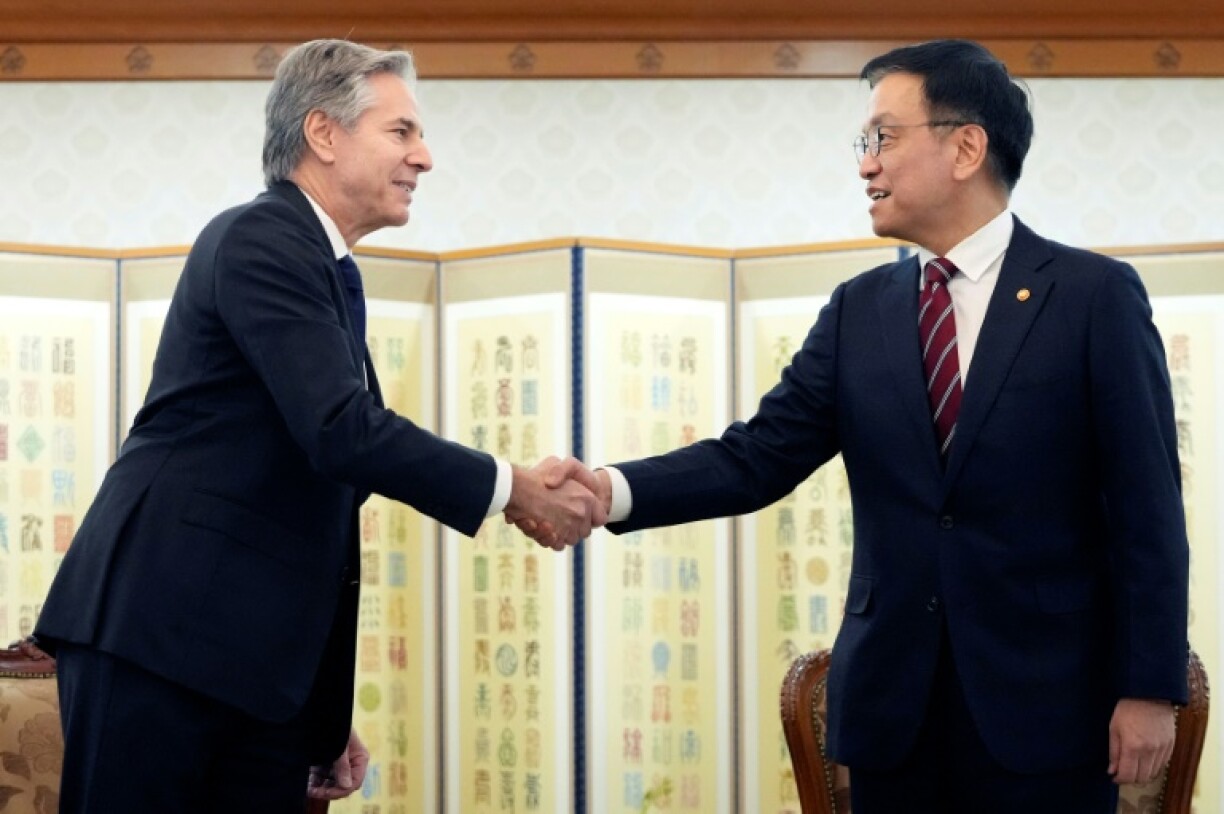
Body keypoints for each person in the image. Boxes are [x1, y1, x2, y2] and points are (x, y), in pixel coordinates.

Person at [526, 39, 1189, 812]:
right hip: (891, 714)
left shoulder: (1091, 296)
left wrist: (1148, 690)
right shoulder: (858, 311)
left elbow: (1148, 509)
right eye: (863, 144)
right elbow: (756, 458)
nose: (865, 164)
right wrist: (609, 490)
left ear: (966, 146)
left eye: (884, 138)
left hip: (1045, 709)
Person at [34, 39, 603, 813]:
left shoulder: (326, 268)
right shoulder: (262, 237)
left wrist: (322, 716)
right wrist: (513, 489)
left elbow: (319, 506)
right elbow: (343, 431)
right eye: (401, 131)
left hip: (249, 673)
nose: (425, 156)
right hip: (160, 639)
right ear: (324, 134)